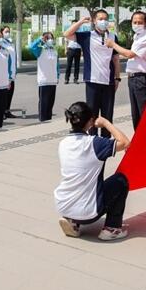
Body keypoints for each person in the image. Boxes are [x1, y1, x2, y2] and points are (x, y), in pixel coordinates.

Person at [54, 102, 130, 241]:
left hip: (63, 205)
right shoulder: (94, 143)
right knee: (120, 180)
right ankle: (112, 229)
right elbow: (125, 142)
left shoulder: (63, 143)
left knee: (81, 180)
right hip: (88, 212)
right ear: (90, 122)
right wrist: (106, 123)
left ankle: (73, 222)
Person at [63, 10, 121, 137]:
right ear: (94, 21)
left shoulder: (113, 37)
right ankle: (92, 140)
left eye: (105, 19)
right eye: (100, 19)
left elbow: (116, 59)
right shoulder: (87, 36)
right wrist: (81, 22)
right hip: (92, 82)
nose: (103, 21)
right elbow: (67, 34)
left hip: (108, 82)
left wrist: (117, 78)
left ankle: (105, 141)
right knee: (91, 115)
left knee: (107, 115)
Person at [107, 11, 146, 130]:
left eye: (140, 22)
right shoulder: (137, 36)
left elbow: (130, 54)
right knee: (136, 114)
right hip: (133, 78)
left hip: (142, 79)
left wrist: (113, 45)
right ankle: (138, 139)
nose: (137, 25)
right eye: (134, 22)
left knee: (144, 113)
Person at [29, 32, 59, 122]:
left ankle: (48, 121)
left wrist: (57, 76)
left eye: (51, 38)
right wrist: (40, 39)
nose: (50, 40)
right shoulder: (40, 49)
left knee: (50, 104)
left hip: (53, 80)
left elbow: (57, 65)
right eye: (48, 38)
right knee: (44, 104)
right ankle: (42, 121)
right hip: (44, 81)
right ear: (44, 39)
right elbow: (31, 47)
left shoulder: (54, 50)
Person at [1, 26, 18, 119]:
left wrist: (15, 70)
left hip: (12, 72)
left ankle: (7, 110)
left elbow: (14, 56)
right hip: (5, 72)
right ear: (2, 33)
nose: (8, 33)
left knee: (10, 92)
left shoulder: (11, 43)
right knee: (4, 93)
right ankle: (2, 111)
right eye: (6, 31)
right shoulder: (1, 43)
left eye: (9, 31)